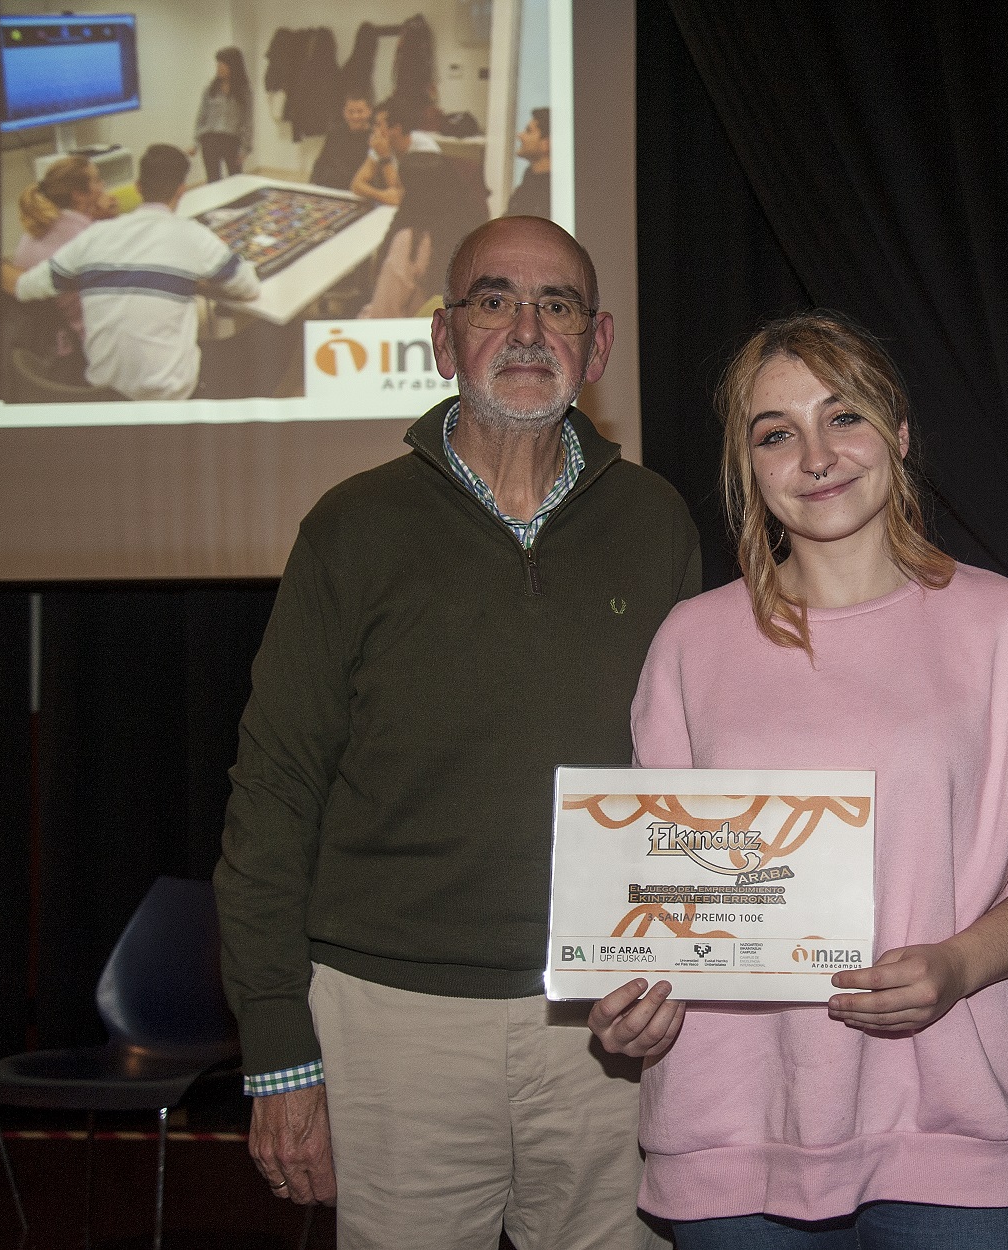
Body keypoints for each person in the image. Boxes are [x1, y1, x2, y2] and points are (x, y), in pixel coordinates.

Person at [591, 311, 1008, 1249]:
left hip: (955, 1136)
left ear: (899, 433)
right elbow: (658, 886)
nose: (815, 456)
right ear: (747, 466)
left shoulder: (1007, 631)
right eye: (775, 433)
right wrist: (633, 1001)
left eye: (843, 417)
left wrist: (961, 964)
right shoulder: (690, 642)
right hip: (732, 1141)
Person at [214, 215, 700, 1249]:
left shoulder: (657, 521)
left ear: (597, 344)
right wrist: (279, 1043)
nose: (525, 329)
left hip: (606, 1020)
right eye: (493, 300)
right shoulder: (352, 527)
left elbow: (689, 776)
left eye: (555, 304)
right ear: (445, 337)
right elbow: (275, 789)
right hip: (392, 1022)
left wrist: (688, 974)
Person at [13, 144, 258, 401]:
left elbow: (24, 287)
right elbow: (248, 287)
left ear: (138, 187)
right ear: (181, 190)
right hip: (170, 399)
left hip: (101, 395)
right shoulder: (193, 234)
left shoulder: (93, 235)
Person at [3, 156, 119, 375]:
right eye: (97, 180)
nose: (103, 185)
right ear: (78, 194)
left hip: (44, 343)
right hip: (87, 346)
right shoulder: (86, 238)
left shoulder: (33, 232)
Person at [359, 152, 489, 318]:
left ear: (413, 194)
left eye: (400, 187)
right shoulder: (476, 233)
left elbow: (384, 314)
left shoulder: (411, 241)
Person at [351, 94, 442, 207]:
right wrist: (381, 195)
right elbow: (356, 184)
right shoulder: (382, 145)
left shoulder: (425, 148)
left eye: (378, 125)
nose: (374, 130)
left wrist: (385, 157)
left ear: (396, 129)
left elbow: (406, 195)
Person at [193, 47, 254, 182]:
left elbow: (248, 121)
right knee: (213, 180)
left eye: (223, 64)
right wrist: (195, 142)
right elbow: (201, 116)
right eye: (218, 64)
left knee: (236, 179)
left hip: (232, 140)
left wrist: (245, 149)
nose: (219, 68)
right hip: (210, 139)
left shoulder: (244, 91)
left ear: (234, 66)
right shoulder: (210, 89)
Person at [309, 88, 373, 191]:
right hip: (328, 188)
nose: (355, 116)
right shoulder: (335, 133)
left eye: (360, 111)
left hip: (357, 191)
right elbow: (321, 163)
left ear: (369, 111)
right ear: (344, 112)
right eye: (351, 112)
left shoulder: (375, 138)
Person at [504, 107, 551, 219]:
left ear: (546, 144)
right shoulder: (529, 178)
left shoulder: (553, 193)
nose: (520, 135)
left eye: (528, 131)